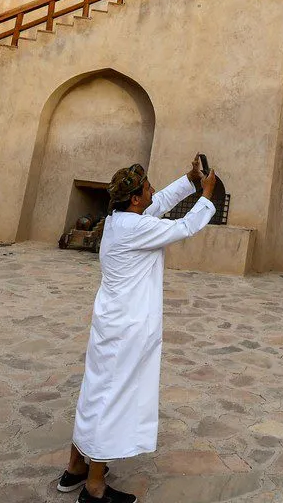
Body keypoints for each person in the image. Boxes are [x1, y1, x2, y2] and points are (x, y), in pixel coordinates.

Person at [59, 158, 218, 503]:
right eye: (146, 188)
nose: (151, 191)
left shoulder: (119, 220)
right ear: (134, 199)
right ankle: (95, 486)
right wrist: (206, 194)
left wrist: (189, 180)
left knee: (95, 392)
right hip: (127, 328)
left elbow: (157, 203)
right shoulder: (136, 228)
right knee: (113, 398)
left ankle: (76, 467)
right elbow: (185, 226)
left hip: (110, 324)